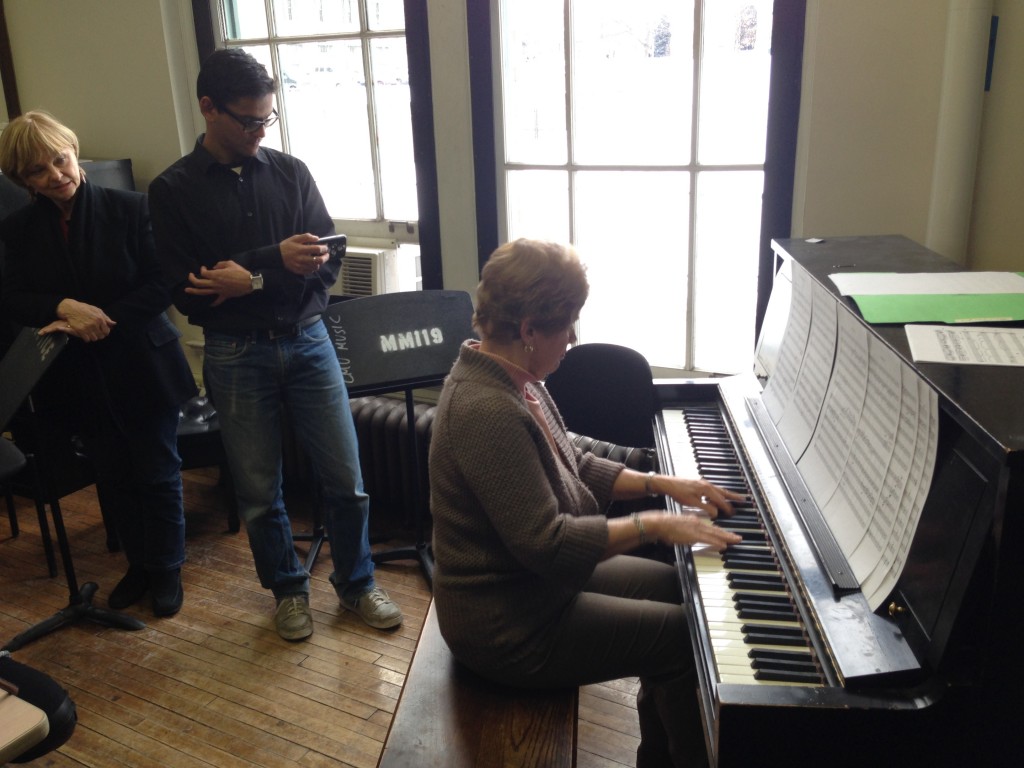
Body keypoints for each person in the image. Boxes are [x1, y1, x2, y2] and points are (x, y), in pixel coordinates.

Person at [429, 238, 745, 768]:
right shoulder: (486, 410)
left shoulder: (513, 377)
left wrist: (662, 481)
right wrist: (655, 526)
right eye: (568, 324)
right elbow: (550, 544)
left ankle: (660, 752)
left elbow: (568, 454)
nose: (574, 337)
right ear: (529, 329)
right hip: (507, 625)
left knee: (685, 592)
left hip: (534, 589)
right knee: (683, 640)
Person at [148, 48, 402, 641]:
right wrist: (270, 262)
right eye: (249, 120)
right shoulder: (172, 191)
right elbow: (187, 291)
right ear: (208, 108)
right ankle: (288, 591)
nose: (262, 132)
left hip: (309, 341)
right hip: (236, 355)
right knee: (260, 492)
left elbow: (326, 262)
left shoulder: (291, 172)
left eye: (268, 118)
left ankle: (357, 583)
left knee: (347, 479)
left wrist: (252, 276)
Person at [0, 111, 197, 617]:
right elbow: (15, 297)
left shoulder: (132, 208)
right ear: (24, 182)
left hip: (141, 362)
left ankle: (168, 567)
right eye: (38, 172)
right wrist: (63, 308)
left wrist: (100, 319)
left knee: (157, 470)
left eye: (59, 160)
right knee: (113, 475)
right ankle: (139, 565)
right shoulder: (18, 229)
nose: (55, 175)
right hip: (77, 374)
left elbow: (162, 284)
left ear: (73, 150)